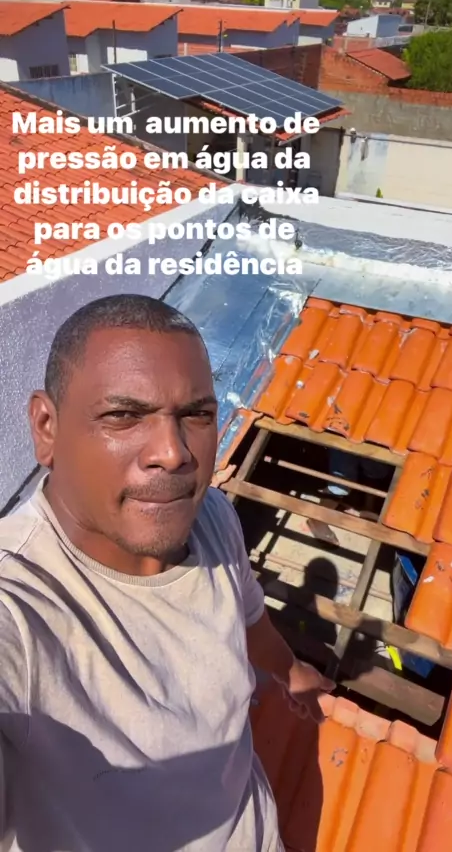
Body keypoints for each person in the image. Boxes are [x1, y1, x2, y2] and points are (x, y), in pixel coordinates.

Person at [0, 294, 333, 852]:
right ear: (47, 427)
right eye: (123, 415)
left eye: (196, 415)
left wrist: (290, 670)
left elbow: (246, 614)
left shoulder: (213, 517)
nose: (173, 453)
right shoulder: (20, 608)